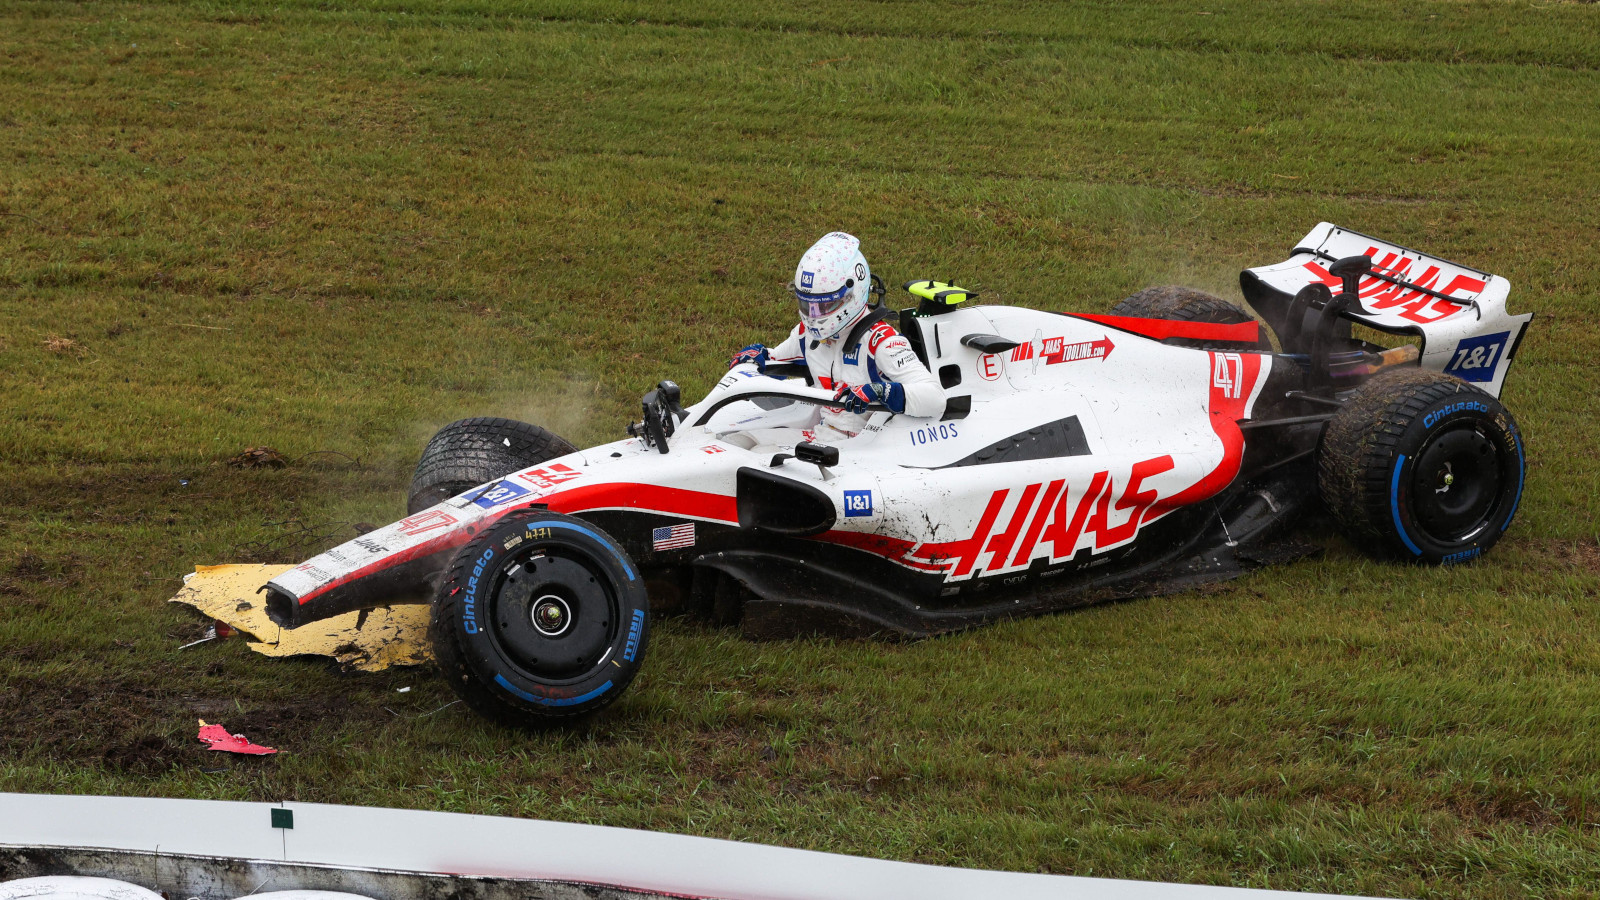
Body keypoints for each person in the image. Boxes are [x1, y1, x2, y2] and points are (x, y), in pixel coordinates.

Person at [729, 232, 945, 440]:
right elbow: (775, 364)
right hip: (823, 436)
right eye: (808, 304)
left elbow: (935, 398)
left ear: (853, 293)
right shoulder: (806, 336)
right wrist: (757, 359)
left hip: (866, 448)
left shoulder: (882, 342)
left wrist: (883, 391)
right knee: (742, 441)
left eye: (824, 305)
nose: (814, 315)